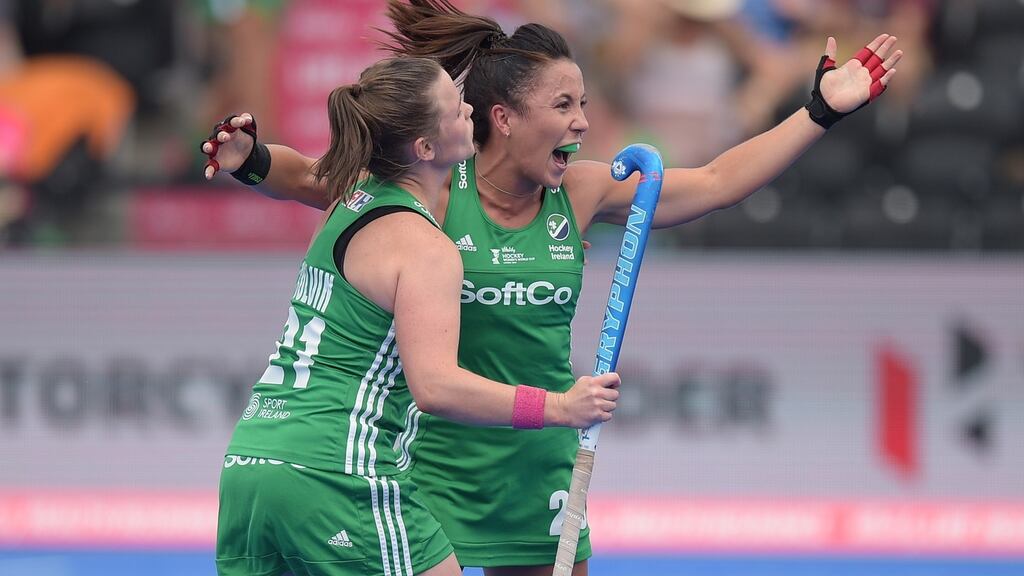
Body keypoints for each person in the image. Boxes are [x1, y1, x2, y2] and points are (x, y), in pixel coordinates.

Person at [202, 2, 903, 574]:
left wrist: (819, 112)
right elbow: (314, 176)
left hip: (540, 458)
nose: (583, 122)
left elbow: (716, 184)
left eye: (585, 103)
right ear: (502, 118)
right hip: (431, 460)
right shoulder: (438, 186)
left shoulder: (585, 188)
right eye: (564, 104)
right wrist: (253, 158)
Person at [210, 55, 620, 576]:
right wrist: (562, 407)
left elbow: (307, 173)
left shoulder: (347, 203)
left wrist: (250, 157)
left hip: (252, 464)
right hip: (341, 469)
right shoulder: (426, 247)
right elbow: (437, 388)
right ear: (425, 147)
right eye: (455, 109)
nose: (469, 110)